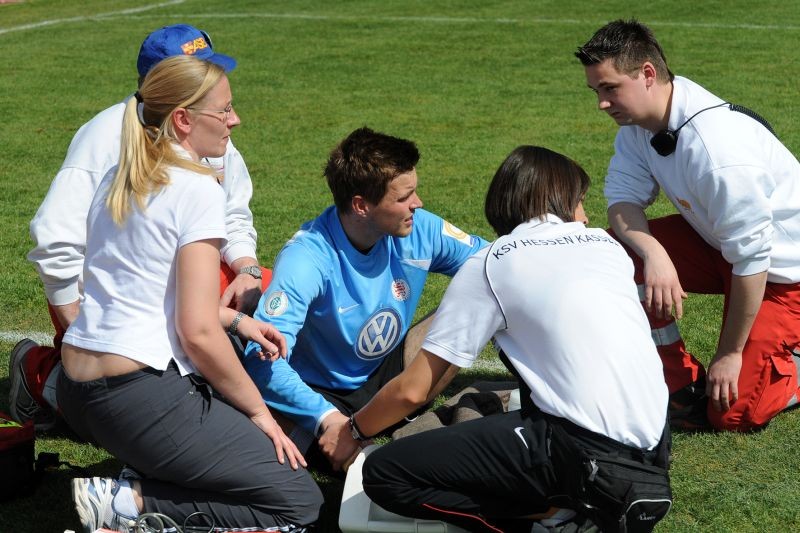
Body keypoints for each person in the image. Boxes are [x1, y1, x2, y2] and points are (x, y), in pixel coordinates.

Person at [58, 55, 322, 532]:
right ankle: (126, 503)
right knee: (298, 502)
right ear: (183, 119)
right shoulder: (197, 189)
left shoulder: (119, 176)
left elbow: (141, 291)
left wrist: (237, 321)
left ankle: (142, 477)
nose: (235, 121)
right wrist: (259, 413)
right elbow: (197, 331)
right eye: (224, 110)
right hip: (135, 393)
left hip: (77, 389)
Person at [351, 146, 671, 533]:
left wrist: (353, 431)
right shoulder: (608, 248)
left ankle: (550, 520)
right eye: (581, 201)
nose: (585, 215)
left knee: (384, 473)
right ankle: (567, 501)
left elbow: (413, 391)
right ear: (555, 199)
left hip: (584, 453)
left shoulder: (493, 261)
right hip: (656, 449)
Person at [11, 24, 268, 432]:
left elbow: (233, 213)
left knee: (273, 295)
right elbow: (55, 239)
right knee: (131, 403)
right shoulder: (104, 138)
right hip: (114, 293)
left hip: (176, 279)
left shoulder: (208, 127)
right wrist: (81, 326)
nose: (213, 83)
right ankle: (42, 375)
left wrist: (247, 268)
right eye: (198, 70)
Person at [575, 19, 800, 432]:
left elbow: (753, 260)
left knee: (732, 414)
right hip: (724, 248)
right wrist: (654, 254)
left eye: (610, 89)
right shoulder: (641, 123)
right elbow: (622, 202)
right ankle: (677, 383)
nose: (602, 104)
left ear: (647, 74)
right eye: (596, 91)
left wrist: (730, 353)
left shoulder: (717, 149)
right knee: (607, 254)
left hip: (781, 275)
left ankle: (792, 360)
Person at [242, 127, 488, 468]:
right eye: (403, 198)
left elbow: (497, 264)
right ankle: (349, 441)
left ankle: (394, 415)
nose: (417, 203)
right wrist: (326, 417)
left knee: (481, 296)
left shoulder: (420, 227)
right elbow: (261, 359)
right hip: (321, 392)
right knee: (364, 468)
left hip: (393, 371)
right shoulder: (306, 259)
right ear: (361, 205)